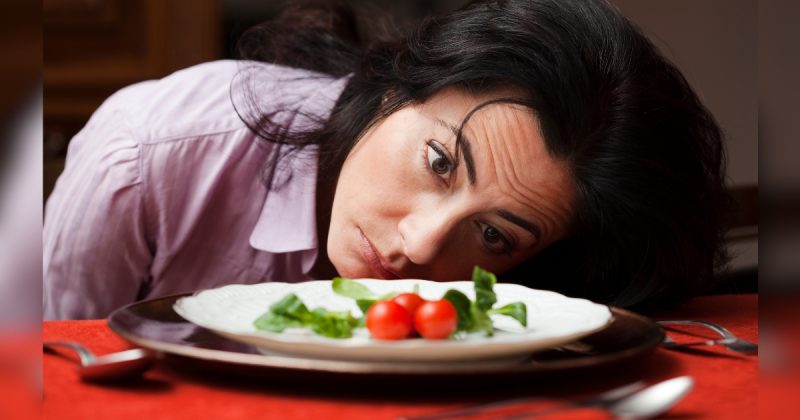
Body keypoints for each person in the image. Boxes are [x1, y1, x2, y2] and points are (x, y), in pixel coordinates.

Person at [43, 0, 730, 320]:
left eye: (494, 234)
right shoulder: (146, 155)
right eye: (439, 161)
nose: (421, 243)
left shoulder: (529, 295)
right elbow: (47, 370)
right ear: (397, 85)